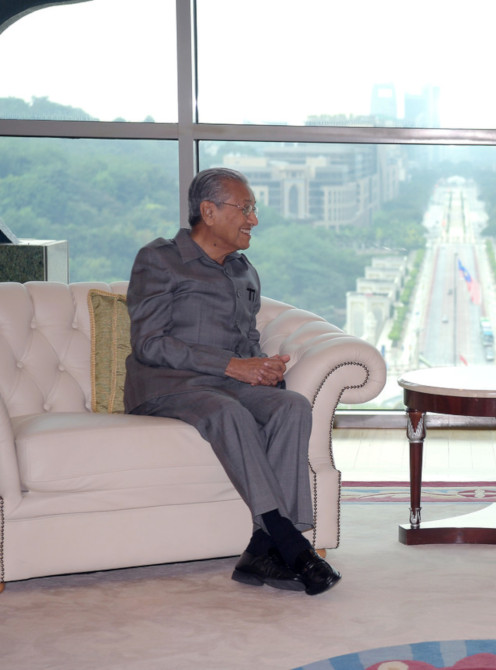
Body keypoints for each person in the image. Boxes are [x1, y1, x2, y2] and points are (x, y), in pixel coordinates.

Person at [124, 167, 340, 596]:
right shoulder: (159, 259)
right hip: (169, 385)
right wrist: (231, 366)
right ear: (209, 210)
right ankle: (290, 542)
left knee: (291, 405)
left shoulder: (243, 269)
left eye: (253, 209)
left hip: (225, 380)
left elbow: (247, 339)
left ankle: (262, 549)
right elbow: (148, 343)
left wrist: (263, 367)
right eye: (245, 209)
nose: (253, 219)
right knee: (228, 413)